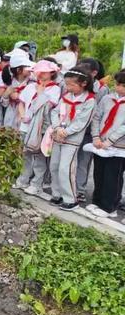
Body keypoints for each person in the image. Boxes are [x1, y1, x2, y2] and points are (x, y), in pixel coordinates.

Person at [50, 66, 96, 211]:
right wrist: (57, 127)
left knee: (66, 168)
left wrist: (67, 131)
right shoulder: (66, 96)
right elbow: (55, 112)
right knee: (55, 166)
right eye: (67, 84)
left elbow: (82, 122)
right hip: (58, 135)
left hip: (72, 139)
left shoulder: (89, 101)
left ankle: (70, 198)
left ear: (83, 83)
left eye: (71, 84)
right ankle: (56, 194)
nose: (68, 87)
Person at [13, 60, 61, 198]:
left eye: (44, 72)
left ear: (52, 72)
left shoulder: (54, 89)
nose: (40, 74)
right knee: (24, 154)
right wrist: (23, 116)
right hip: (25, 126)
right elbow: (21, 103)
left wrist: (41, 93)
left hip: (40, 128)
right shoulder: (30, 86)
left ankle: (36, 184)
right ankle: (23, 179)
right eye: (38, 71)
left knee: (38, 157)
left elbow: (47, 108)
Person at [84, 70, 125, 218]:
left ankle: (109, 207)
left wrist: (110, 141)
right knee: (99, 173)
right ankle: (97, 201)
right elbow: (97, 117)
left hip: (119, 147)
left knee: (112, 176)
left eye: (123, 85)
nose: (119, 88)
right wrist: (96, 137)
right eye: (117, 84)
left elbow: (123, 127)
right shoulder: (107, 98)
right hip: (100, 143)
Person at [76, 57, 109, 201]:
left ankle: (80, 189)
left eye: (84, 70)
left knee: (84, 161)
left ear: (94, 73)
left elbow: (101, 113)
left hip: (90, 131)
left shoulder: (102, 89)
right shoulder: (77, 84)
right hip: (74, 128)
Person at [1, 54, 34, 130]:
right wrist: (7, 94)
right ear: (18, 70)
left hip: (24, 114)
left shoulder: (32, 83)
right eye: (26, 67)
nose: (30, 69)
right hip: (11, 114)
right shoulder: (10, 82)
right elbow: (4, 104)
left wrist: (20, 96)